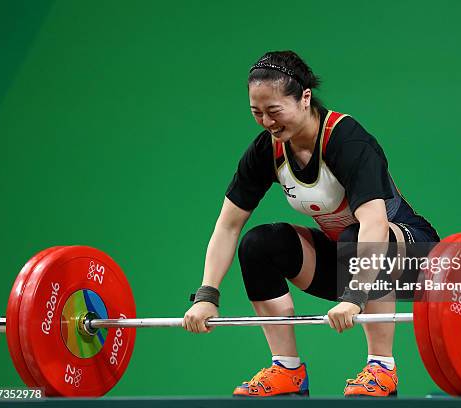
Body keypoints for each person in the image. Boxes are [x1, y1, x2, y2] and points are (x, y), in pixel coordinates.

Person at [182, 50, 439, 397]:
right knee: (259, 244)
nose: (267, 122)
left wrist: (356, 294)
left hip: (417, 259)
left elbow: (374, 224)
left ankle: (382, 368)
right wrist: (206, 295)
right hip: (351, 264)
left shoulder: (347, 140)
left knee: (355, 236)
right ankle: (287, 370)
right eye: (257, 113)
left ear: (304, 98)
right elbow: (228, 226)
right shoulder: (267, 151)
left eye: (274, 111)